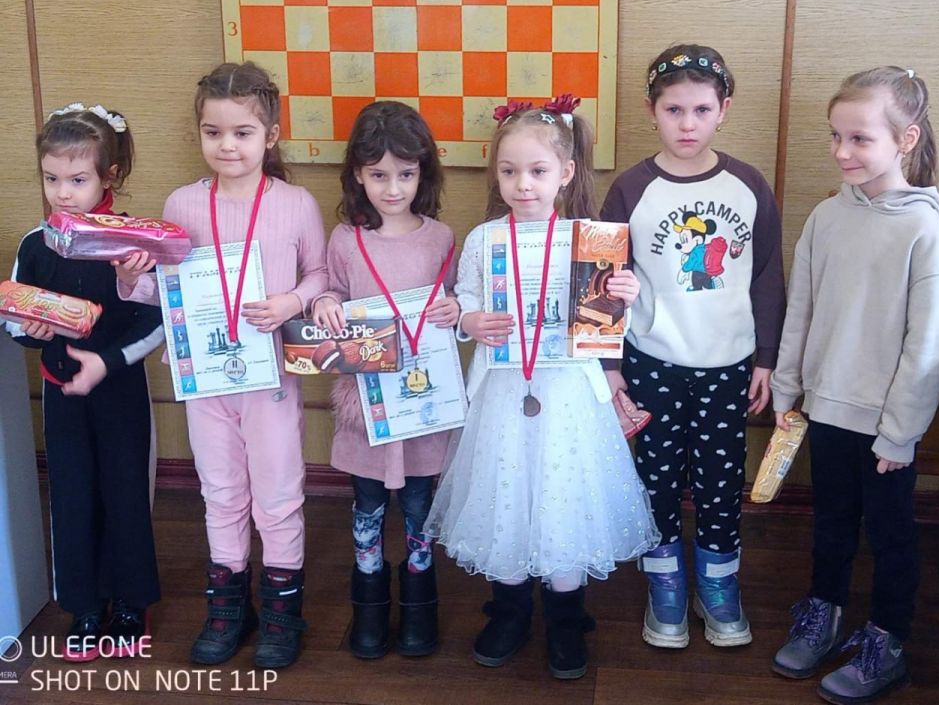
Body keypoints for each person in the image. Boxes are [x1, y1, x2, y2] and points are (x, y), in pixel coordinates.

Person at [425, 96, 661, 679]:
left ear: (566, 173)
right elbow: (465, 302)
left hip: (569, 396)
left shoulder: (591, 239)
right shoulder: (484, 239)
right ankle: (508, 611)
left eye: (537, 171)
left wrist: (627, 295)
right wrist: (469, 319)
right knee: (504, 493)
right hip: (503, 394)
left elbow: (616, 322)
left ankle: (566, 617)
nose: (523, 184)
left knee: (565, 498)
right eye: (509, 171)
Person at [116, 62, 328, 668]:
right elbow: (169, 291)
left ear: (271, 135)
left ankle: (283, 613)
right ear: (199, 134)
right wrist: (132, 277)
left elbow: (320, 275)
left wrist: (292, 301)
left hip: (271, 377)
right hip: (205, 378)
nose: (227, 145)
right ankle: (228, 608)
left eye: (242, 132)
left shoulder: (296, 203)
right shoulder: (181, 204)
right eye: (214, 132)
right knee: (220, 491)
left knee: (278, 494)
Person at [769, 66, 939, 705]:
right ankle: (822, 615)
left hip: (885, 428)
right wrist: (788, 392)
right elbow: (802, 309)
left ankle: (887, 643)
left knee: (890, 535)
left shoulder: (924, 231)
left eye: (859, 138)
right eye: (835, 136)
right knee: (830, 524)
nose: (842, 152)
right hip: (825, 410)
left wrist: (900, 433)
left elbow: (928, 343)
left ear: (906, 140)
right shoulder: (827, 217)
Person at [599, 44, 786, 649]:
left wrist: (766, 359)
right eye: (673, 109)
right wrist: (609, 365)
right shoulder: (631, 189)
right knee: (654, 478)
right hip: (651, 363)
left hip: (729, 366)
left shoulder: (748, 184)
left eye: (701, 110)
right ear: (651, 110)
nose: (687, 124)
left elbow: (767, 278)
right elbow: (602, 282)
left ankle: (718, 582)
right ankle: (665, 583)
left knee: (720, 481)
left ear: (723, 109)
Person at [6, 103, 163, 661]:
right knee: (71, 495)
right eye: (52, 179)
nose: (63, 193)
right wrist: (30, 328)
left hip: (119, 390)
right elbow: (15, 317)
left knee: (125, 494)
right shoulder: (35, 244)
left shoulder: (134, 242)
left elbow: (157, 323)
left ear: (108, 176)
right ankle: (84, 606)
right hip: (61, 390)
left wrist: (110, 360)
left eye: (77, 180)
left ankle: (131, 603)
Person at [311, 101, 458, 659]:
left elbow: (455, 305)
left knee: (420, 502)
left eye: (405, 174)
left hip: (422, 400)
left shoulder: (441, 238)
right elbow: (333, 289)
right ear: (357, 175)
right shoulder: (345, 239)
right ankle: (369, 599)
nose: (392, 188)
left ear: (423, 173)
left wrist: (455, 309)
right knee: (368, 502)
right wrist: (325, 302)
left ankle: (420, 600)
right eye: (378, 175)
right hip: (366, 402)